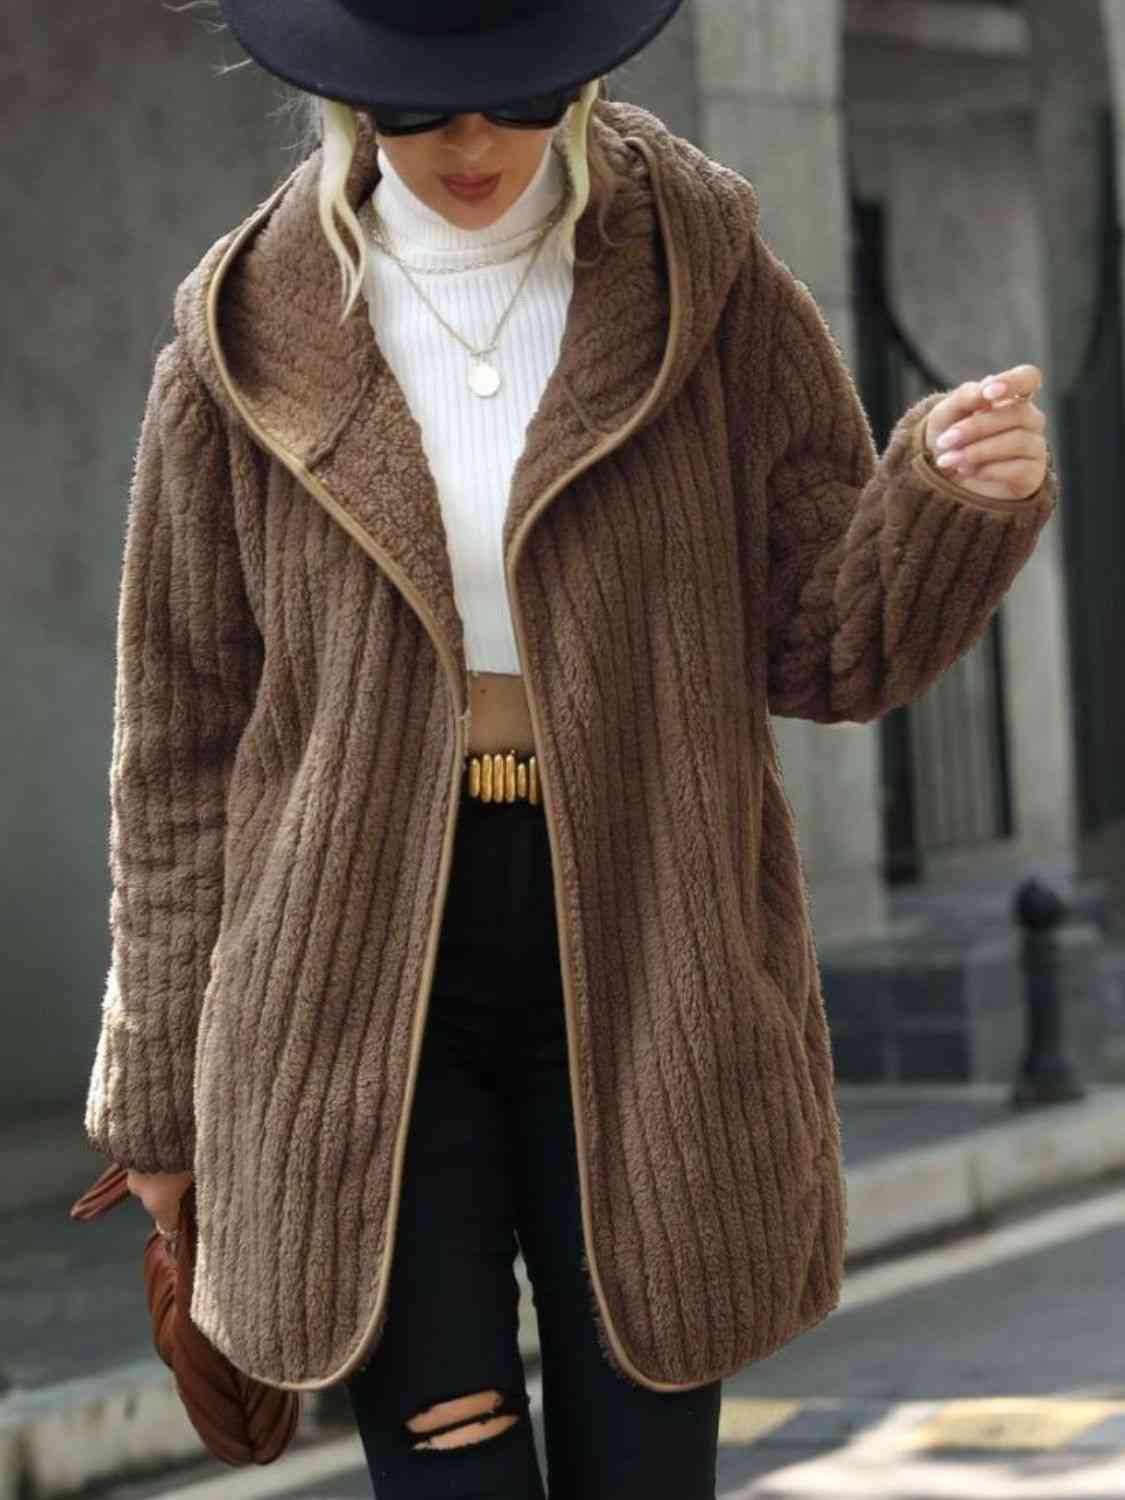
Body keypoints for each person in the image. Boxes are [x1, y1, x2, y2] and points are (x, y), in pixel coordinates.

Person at [85, 0, 1058, 1495]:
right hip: (346, 988)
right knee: (450, 1468)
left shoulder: (708, 294)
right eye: (418, 105)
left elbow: (828, 647)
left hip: (652, 949)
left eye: (517, 93)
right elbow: (176, 749)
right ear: (347, 96)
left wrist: (944, 503)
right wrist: (157, 1094)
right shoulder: (240, 347)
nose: (471, 140)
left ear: (581, 74)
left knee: (641, 1460)